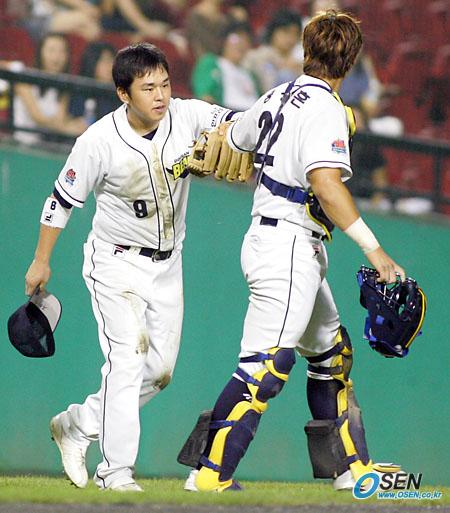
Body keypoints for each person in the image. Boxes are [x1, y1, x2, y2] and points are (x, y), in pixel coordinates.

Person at [183, 10, 405, 493]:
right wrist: (375, 250)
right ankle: (209, 473)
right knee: (264, 366)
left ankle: (351, 470)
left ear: (307, 51)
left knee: (331, 354)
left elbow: (235, 137)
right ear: (350, 60)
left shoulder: (276, 94)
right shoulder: (325, 107)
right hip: (286, 244)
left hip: (282, 240)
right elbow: (325, 183)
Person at [24, 42, 236, 492]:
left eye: (165, 84)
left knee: (158, 372)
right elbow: (60, 200)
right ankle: (115, 473)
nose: (160, 95)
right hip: (116, 263)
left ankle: (78, 424)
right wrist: (42, 259)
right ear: (124, 94)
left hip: (168, 263)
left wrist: (232, 134)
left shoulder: (187, 115)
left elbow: (237, 124)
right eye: (148, 88)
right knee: (126, 360)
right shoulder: (98, 142)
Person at [14, 32, 86, 145]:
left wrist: (73, 124)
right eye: (51, 50)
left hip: (45, 145)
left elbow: (60, 119)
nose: (56, 57)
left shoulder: (64, 86)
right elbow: (38, 118)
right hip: (20, 143)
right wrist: (67, 128)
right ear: (40, 52)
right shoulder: (25, 80)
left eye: (62, 51)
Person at [191, 22, 261, 110]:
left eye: (246, 40)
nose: (241, 44)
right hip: (228, 114)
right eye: (235, 39)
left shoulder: (251, 75)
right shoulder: (211, 63)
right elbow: (204, 96)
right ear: (224, 41)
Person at [244, 9, 303, 93]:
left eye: (295, 33)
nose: (290, 38)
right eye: (286, 32)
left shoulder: (300, 62)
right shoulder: (256, 56)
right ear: (274, 31)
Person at [69, 41, 120, 128]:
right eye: (105, 61)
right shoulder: (79, 92)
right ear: (92, 63)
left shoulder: (121, 95)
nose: (110, 65)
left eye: (113, 61)